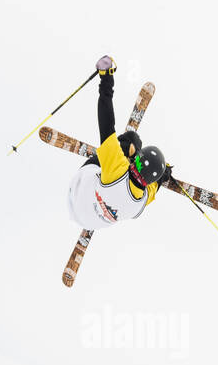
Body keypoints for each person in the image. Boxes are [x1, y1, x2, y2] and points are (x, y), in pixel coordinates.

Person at [66, 55, 174, 232]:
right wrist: (164, 174)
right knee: (133, 163)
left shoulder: (116, 167)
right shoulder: (140, 203)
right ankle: (134, 156)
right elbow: (155, 186)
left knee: (132, 140)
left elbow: (106, 122)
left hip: (76, 190)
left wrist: (106, 78)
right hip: (90, 223)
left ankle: (128, 149)